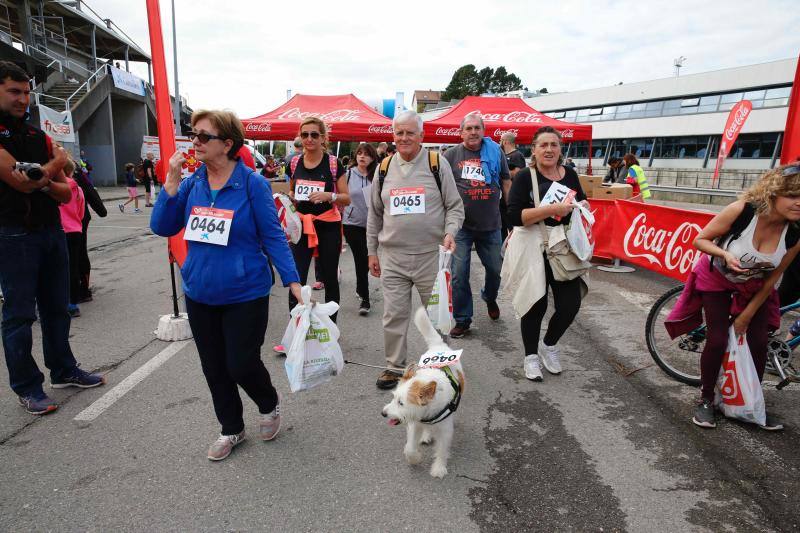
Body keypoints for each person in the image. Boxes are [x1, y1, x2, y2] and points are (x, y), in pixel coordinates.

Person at [150, 109, 302, 461]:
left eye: (204, 136)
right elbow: (163, 226)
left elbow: (273, 236)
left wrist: (292, 280)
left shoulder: (252, 184)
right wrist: (170, 183)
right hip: (200, 291)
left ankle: (268, 403)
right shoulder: (192, 183)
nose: (196, 141)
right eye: (194, 134)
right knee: (214, 367)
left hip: (244, 292)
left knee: (240, 363)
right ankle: (231, 427)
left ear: (228, 144)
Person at [0, 61, 104, 415]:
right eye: (14, 91)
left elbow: (62, 192)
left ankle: (63, 370)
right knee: (19, 315)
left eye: (26, 92)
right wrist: (53, 167)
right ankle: (28, 387)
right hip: (12, 234)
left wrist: (41, 177)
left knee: (58, 306)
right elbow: (18, 181)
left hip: (50, 230)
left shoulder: (34, 135)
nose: (23, 99)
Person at [665, 164, 800, 430]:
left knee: (758, 342)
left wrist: (746, 316)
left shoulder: (795, 233)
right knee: (716, 340)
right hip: (716, 279)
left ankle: (752, 404)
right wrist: (725, 255)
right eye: (793, 195)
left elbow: (773, 278)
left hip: (754, 287)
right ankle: (706, 401)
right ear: (774, 193)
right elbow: (701, 240)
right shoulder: (743, 210)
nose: (799, 203)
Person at [367, 110, 464, 389]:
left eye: (410, 132)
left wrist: (450, 232)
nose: (404, 138)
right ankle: (395, 367)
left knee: (437, 315)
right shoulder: (383, 168)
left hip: (429, 255)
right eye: (400, 133)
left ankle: (442, 365)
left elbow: (454, 206)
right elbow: (374, 214)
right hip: (393, 257)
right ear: (393, 135)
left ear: (421, 135)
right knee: (393, 315)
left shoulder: (437, 163)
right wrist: (372, 251)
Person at [507, 126, 589, 382]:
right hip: (532, 244)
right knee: (535, 303)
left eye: (554, 145)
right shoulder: (524, 177)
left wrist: (582, 206)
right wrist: (551, 208)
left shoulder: (571, 174)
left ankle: (548, 344)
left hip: (563, 245)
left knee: (570, 305)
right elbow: (513, 216)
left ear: (560, 149)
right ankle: (531, 356)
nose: (549, 150)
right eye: (543, 145)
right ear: (534, 149)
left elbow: (581, 202)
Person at [444, 112, 511, 337]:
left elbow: (505, 179)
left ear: (483, 131)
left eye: (477, 128)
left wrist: (511, 212)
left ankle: (489, 297)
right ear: (461, 132)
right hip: (461, 227)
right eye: (469, 128)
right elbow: (441, 188)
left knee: (496, 270)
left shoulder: (495, 152)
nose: (473, 132)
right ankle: (463, 319)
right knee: (459, 274)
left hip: (491, 224)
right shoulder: (451, 155)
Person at [285, 117, 350, 321]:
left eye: (314, 134)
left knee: (329, 277)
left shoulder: (332, 163)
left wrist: (329, 196)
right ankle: (296, 327)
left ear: (323, 138)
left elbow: (346, 197)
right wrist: (291, 196)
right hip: (302, 225)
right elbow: (292, 189)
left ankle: (331, 327)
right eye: (305, 135)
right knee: (297, 277)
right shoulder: (294, 161)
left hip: (327, 225)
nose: (309, 139)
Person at [343, 142, 379, 316]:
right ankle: (365, 299)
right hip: (352, 224)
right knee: (361, 258)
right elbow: (341, 196)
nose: (362, 156)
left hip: (373, 225)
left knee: (366, 259)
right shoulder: (348, 174)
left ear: (373, 157)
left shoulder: (378, 174)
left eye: (366, 154)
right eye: (359, 153)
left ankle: (360, 287)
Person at [72, 159, 106, 302]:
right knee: (78, 253)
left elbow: (88, 188)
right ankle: (81, 289)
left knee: (75, 254)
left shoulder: (72, 170)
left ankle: (79, 290)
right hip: (78, 219)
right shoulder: (75, 169)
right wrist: (100, 209)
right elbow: (89, 188)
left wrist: (100, 209)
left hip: (73, 220)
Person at [58, 162, 85, 318]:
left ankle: (57, 303)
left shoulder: (51, 188)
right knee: (72, 268)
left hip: (58, 230)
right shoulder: (77, 188)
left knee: (54, 269)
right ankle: (73, 304)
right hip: (74, 230)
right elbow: (81, 210)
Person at [500, 132, 526, 241]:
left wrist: (502, 173)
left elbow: (518, 172)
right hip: (502, 197)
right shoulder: (503, 155)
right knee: (502, 226)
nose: (499, 142)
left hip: (512, 196)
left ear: (506, 141)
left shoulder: (517, 155)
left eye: (501, 140)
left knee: (512, 225)